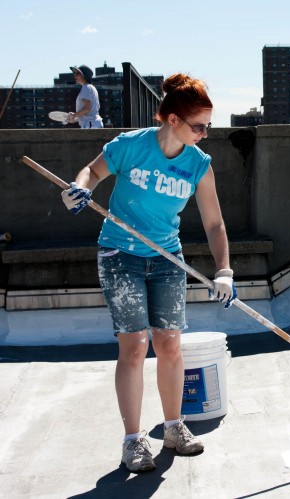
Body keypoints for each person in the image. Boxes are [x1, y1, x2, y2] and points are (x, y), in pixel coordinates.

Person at [61, 73, 237, 473]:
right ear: (172, 120)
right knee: (134, 347)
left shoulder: (198, 165)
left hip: (167, 260)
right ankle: (133, 440)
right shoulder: (130, 146)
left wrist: (224, 270)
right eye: (199, 126)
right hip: (120, 254)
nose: (206, 134)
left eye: (208, 125)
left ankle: (173, 428)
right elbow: (91, 173)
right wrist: (77, 188)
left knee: (170, 345)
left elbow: (214, 224)